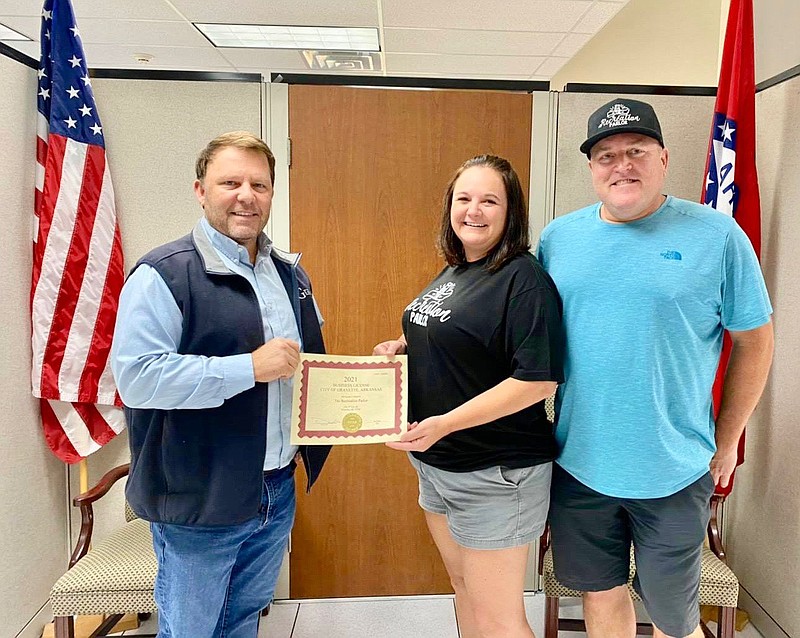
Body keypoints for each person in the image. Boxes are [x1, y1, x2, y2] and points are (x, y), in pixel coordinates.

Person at [537, 98, 774, 638]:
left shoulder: (717, 237)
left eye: (636, 151)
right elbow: (517, 336)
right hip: (580, 463)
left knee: (673, 616)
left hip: (675, 467)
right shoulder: (558, 241)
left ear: (664, 158)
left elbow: (756, 342)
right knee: (601, 595)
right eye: (607, 155)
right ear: (592, 169)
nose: (622, 165)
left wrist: (727, 438)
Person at [111, 131, 330, 637]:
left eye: (259, 184)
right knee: (191, 630)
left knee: (242, 623)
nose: (246, 195)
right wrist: (247, 368)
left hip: (275, 489)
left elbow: (303, 367)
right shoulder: (163, 274)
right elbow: (139, 379)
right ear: (200, 190)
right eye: (230, 182)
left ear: (273, 193)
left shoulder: (288, 274)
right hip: (198, 496)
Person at [373, 155, 564, 638]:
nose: (473, 210)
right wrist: (405, 344)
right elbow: (464, 342)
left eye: (489, 200)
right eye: (464, 198)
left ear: (510, 211)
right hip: (439, 465)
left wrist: (445, 423)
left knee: (499, 617)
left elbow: (537, 380)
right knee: (463, 588)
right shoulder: (457, 270)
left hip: (496, 473)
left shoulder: (524, 279)